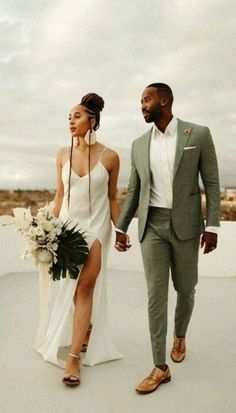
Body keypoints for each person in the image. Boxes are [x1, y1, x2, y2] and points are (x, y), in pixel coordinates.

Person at [115, 83, 220, 394]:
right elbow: (134, 191)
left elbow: (212, 184)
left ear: (165, 100)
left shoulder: (197, 134)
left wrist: (212, 226)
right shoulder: (137, 144)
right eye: (141, 101)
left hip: (187, 225)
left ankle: (180, 333)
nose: (142, 106)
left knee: (186, 289)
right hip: (152, 227)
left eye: (147, 100)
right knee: (155, 295)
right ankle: (160, 366)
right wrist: (121, 227)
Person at [35, 93, 123, 386]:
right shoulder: (62, 154)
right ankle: (84, 329)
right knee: (72, 290)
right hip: (66, 228)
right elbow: (60, 195)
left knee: (85, 287)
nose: (71, 121)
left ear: (92, 120)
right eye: (69, 117)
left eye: (77, 116)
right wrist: (46, 230)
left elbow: (112, 198)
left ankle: (73, 359)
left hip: (97, 228)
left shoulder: (110, 156)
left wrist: (121, 228)